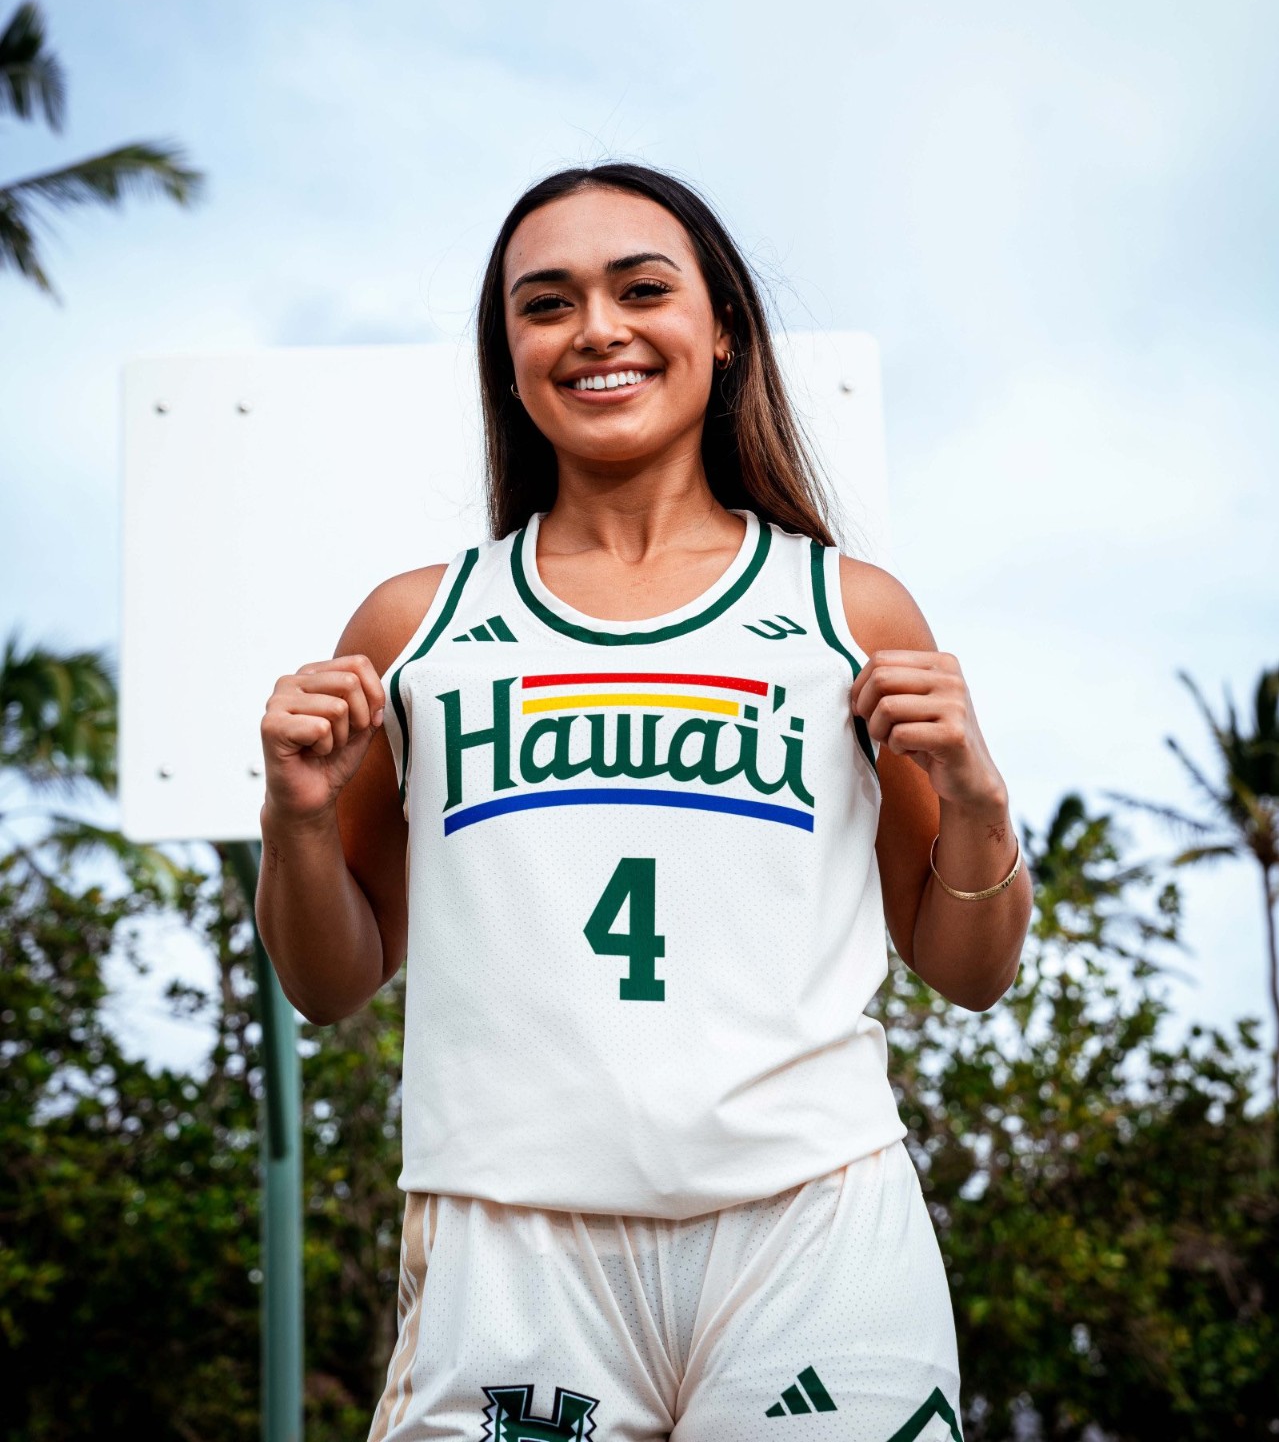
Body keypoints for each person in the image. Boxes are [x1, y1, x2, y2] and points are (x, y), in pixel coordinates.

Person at [256, 163, 1033, 1442]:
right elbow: (330, 981)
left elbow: (971, 968)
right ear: (508, 359)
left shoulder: (848, 609)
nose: (596, 328)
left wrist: (979, 802)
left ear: (721, 329)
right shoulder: (417, 626)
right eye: (546, 303)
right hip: (510, 1240)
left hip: (815, 1225)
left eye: (641, 289)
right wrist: (293, 820)